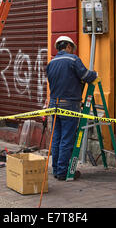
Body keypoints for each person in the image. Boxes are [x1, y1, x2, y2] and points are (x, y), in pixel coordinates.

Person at [46, 35, 98, 181]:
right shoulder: (73, 59)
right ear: (68, 46)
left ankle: (56, 170)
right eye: (72, 48)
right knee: (67, 139)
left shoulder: (51, 63)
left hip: (54, 104)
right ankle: (63, 172)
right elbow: (87, 75)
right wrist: (95, 75)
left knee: (56, 138)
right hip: (69, 105)